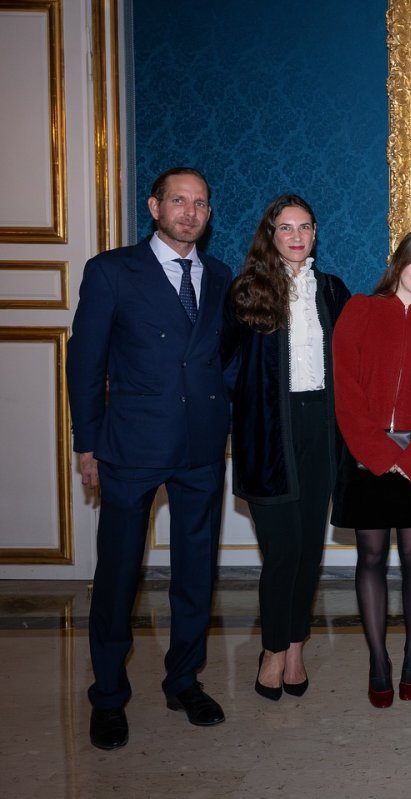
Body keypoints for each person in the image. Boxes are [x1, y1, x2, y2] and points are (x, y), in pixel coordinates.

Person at [66, 167, 232, 750]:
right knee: (118, 575)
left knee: (196, 572)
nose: (190, 212)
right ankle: (108, 696)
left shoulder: (219, 275)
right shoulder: (111, 271)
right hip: (131, 445)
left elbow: (222, 358)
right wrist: (87, 442)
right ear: (154, 206)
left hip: (201, 447)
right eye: (179, 200)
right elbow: (85, 362)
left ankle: (184, 680)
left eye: (201, 203)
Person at [222, 194, 350, 703]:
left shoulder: (333, 290)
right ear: (270, 234)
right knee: (282, 551)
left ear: (315, 233)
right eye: (286, 228)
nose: (297, 237)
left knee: (310, 550)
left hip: (321, 429)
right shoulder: (247, 291)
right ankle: (272, 649)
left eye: (305, 227)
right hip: (268, 433)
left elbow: (352, 362)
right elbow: (225, 366)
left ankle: (296, 646)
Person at [331, 228, 411, 707]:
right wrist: (379, 454)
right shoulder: (360, 309)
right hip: (367, 455)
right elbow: (346, 389)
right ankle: (378, 659)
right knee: (372, 557)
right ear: (400, 260)